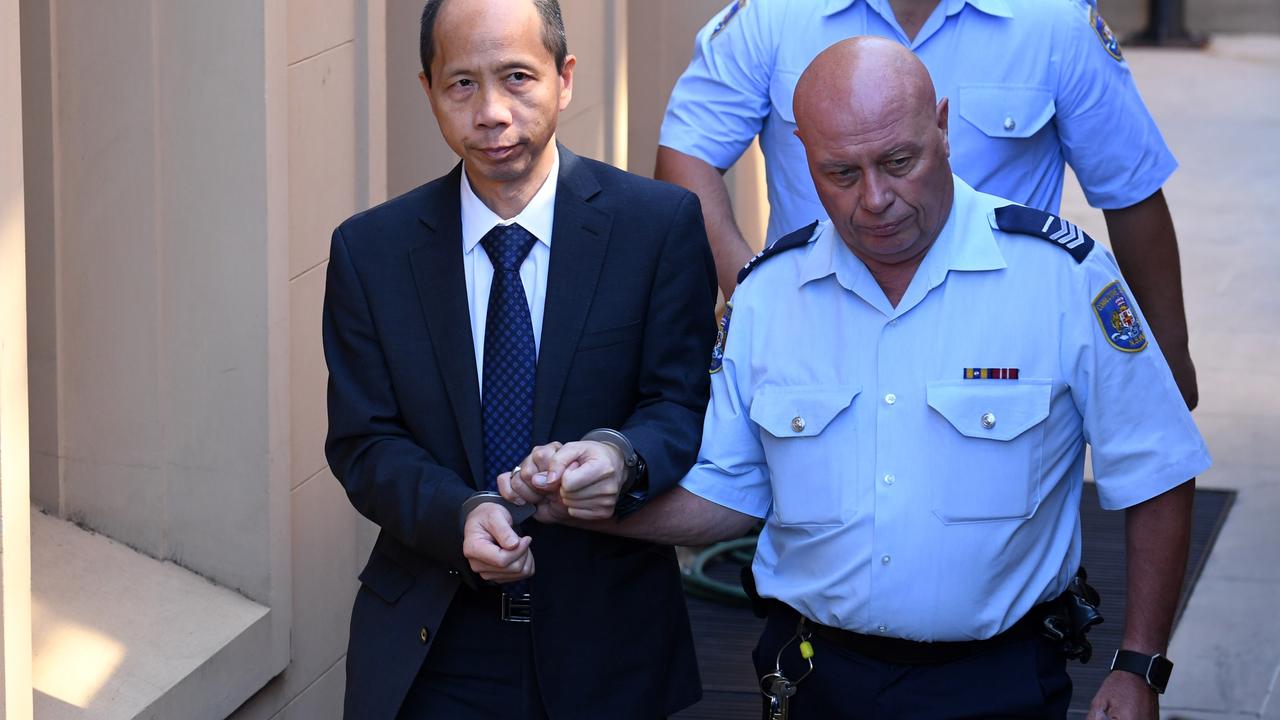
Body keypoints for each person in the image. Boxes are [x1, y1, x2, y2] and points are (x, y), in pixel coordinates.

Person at [507, 38, 1211, 720]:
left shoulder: (1060, 277)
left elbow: (1158, 469)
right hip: (814, 678)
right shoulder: (769, 296)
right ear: (800, 157)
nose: (874, 199)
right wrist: (587, 504)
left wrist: (1139, 663)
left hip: (997, 683)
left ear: (941, 127)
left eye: (898, 161)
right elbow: (733, 493)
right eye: (841, 173)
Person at [322, 0, 717, 716]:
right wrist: (463, 513)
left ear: (564, 79)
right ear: (428, 91)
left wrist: (618, 455)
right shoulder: (369, 252)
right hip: (436, 639)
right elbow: (365, 441)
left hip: (608, 638)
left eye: (517, 77)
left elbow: (679, 403)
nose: (493, 112)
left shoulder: (656, 228)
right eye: (462, 84)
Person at [656, 0, 1199, 410]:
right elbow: (687, 160)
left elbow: (1129, 192)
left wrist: (1167, 354)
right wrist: (756, 300)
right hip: (819, 344)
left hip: (1001, 359)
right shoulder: (775, 15)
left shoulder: (1051, 20)